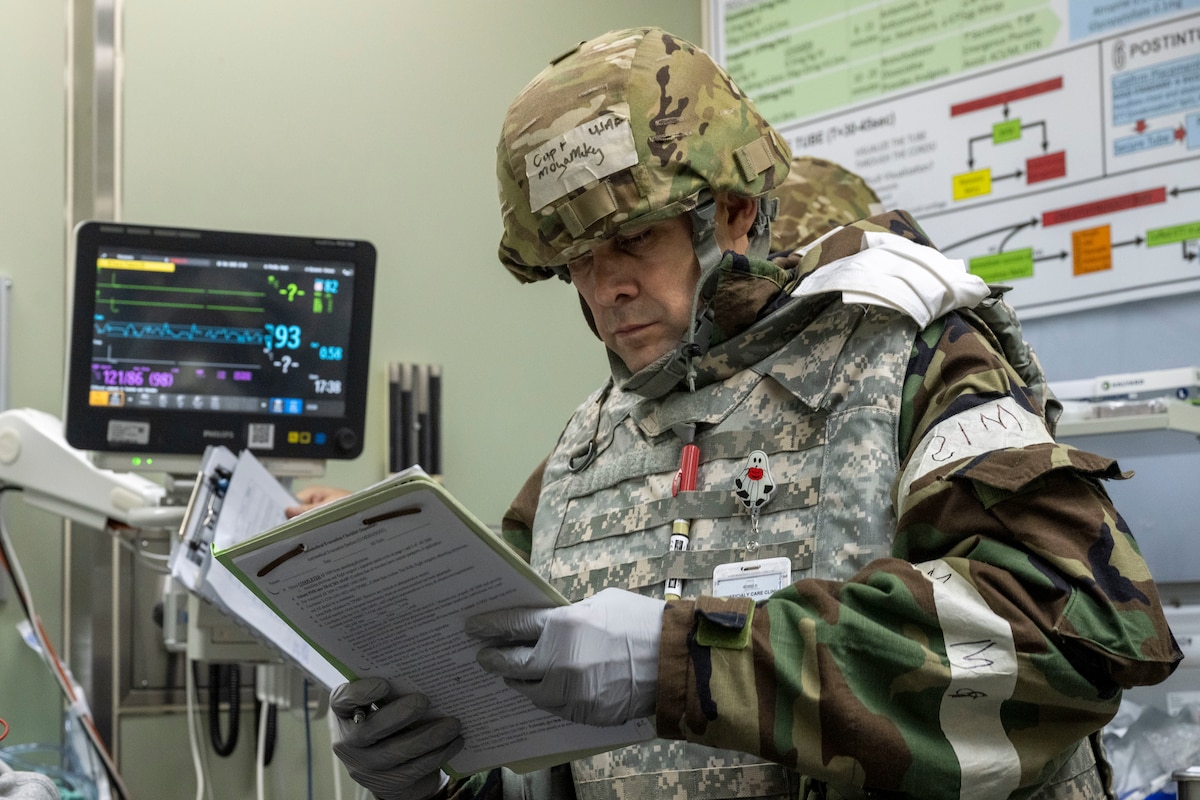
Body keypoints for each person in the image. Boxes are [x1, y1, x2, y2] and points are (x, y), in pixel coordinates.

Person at [325, 26, 1181, 800]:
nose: (604, 285)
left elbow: (1075, 632)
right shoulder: (583, 455)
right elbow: (567, 773)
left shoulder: (908, 359)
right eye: (575, 261)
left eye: (632, 240)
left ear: (733, 212)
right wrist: (434, 780)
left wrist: (687, 660)